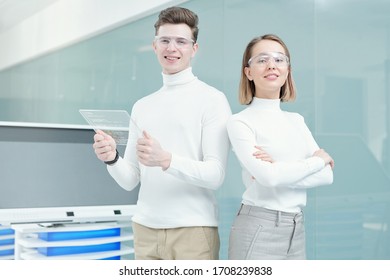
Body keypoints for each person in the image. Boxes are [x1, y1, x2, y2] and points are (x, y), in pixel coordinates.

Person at [92, 6, 231, 260]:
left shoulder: (212, 100)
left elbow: (216, 175)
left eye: (181, 41)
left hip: (193, 231)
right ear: (155, 46)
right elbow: (130, 179)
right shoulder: (142, 105)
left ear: (194, 49)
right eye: (164, 40)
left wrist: (167, 159)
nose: (172, 48)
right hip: (145, 229)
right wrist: (111, 158)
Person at [227, 34, 334, 260]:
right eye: (262, 59)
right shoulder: (240, 122)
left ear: (287, 70)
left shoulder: (297, 120)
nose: (271, 65)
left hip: (296, 227)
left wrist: (278, 168)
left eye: (279, 59)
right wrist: (317, 161)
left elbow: (326, 176)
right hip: (258, 226)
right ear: (248, 72)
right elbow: (270, 178)